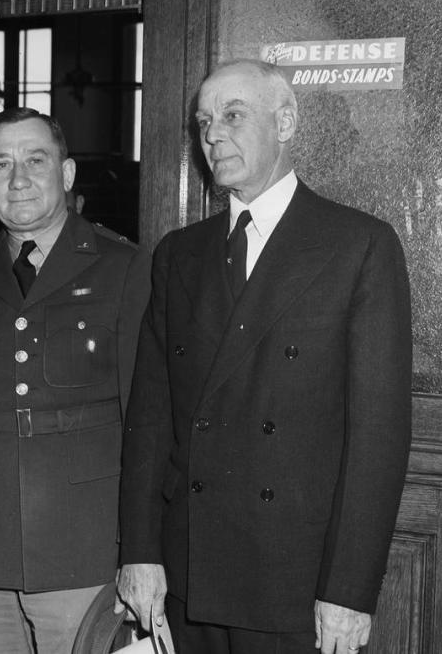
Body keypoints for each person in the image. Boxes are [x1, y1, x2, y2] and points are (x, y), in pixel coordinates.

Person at [117, 59, 412, 654]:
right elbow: (150, 420)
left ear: (285, 121)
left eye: (232, 116)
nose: (212, 136)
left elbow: (378, 437)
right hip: (188, 570)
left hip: (293, 584)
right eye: (203, 123)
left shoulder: (358, 245)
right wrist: (140, 554)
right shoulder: (180, 255)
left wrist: (349, 591)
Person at [0, 108, 150, 654]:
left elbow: (144, 422)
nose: (18, 178)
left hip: (87, 546)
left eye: (35, 160)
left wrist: (142, 552)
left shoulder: (123, 267)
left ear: (67, 174)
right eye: (1, 164)